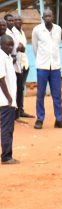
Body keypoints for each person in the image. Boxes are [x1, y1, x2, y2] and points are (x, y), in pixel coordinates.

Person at [32, 9, 62, 130]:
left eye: (50, 16)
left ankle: (59, 119)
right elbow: (35, 48)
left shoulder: (58, 29)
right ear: (43, 18)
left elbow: (57, 45)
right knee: (40, 94)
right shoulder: (37, 30)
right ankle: (40, 119)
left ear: (53, 17)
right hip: (42, 66)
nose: (48, 18)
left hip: (55, 67)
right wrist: (41, 60)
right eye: (45, 16)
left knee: (57, 94)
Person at [9, 15, 31, 121]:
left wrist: (21, 48)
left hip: (23, 64)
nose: (17, 21)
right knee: (16, 89)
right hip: (15, 65)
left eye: (19, 20)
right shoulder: (11, 32)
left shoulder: (21, 32)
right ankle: (15, 114)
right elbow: (16, 48)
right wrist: (19, 48)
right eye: (15, 20)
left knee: (21, 89)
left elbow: (23, 48)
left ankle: (20, 110)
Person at [0, 35, 17, 165]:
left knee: (9, 128)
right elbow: (1, 79)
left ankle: (7, 154)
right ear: (2, 44)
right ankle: (6, 156)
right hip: (6, 101)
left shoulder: (8, 57)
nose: (10, 47)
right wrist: (9, 98)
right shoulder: (1, 57)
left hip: (9, 101)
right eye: (8, 45)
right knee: (7, 128)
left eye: (12, 45)